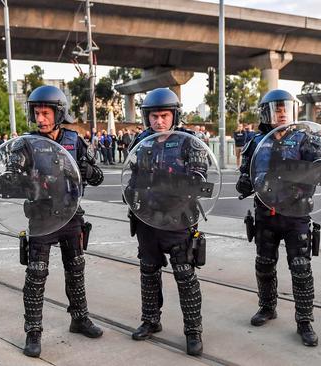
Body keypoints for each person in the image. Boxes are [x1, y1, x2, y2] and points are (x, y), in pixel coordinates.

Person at [19, 85, 105, 358]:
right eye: (37, 113)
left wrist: (84, 169)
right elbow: (10, 179)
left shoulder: (74, 140)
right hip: (41, 218)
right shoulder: (27, 143)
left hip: (70, 215)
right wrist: (18, 178)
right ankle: (33, 331)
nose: (40, 118)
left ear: (59, 113)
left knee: (76, 269)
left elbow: (97, 177)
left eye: (45, 113)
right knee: (36, 275)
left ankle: (79, 318)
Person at [235, 89, 321, 347]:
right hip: (266, 213)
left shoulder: (306, 139)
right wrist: (245, 183)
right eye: (276, 109)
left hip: (296, 213)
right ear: (266, 114)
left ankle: (304, 321)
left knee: (301, 268)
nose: (282, 113)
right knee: (264, 263)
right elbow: (244, 176)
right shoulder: (256, 142)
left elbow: (320, 171)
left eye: (285, 108)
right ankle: (267, 307)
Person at [126, 88, 208, 356]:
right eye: (153, 116)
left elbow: (199, 177)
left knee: (185, 276)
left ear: (174, 116)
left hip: (179, 220)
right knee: (148, 272)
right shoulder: (140, 142)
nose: (158, 121)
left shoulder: (190, 142)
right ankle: (150, 320)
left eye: (163, 116)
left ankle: (193, 331)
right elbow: (131, 177)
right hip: (148, 220)